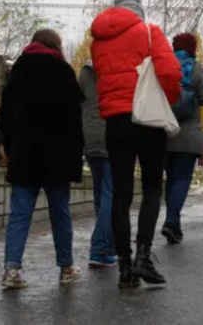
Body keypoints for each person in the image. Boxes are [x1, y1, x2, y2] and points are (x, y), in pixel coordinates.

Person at [91, 0, 182, 289]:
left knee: (121, 192)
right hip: (147, 119)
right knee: (153, 186)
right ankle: (143, 255)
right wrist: (167, 100)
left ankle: (125, 268)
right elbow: (170, 72)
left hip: (116, 121)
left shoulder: (98, 40)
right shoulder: (149, 32)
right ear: (138, 10)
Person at [0, 30, 84, 289]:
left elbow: (4, 118)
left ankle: (11, 270)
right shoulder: (63, 72)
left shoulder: (18, 73)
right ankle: (66, 268)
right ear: (55, 45)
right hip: (57, 157)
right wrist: (75, 155)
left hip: (25, 155)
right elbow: (74, 119)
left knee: (20, 214)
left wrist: (11, 146)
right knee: (60, 213)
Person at [162, 33, 203, 244]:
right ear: (193, 49)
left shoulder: (164, 67)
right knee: (182, 179)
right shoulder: (197, 69)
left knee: (170, 179)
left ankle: (174, 225)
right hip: (189, 134)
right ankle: (171, 220)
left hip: (165, 132)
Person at [79, 60, 117, 268]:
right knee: (110, 194)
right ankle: (100, 248)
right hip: (112, 134)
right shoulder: (117, 68)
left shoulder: (85, 73)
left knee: (100, 195)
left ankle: (108, 247)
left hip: (90, 137)